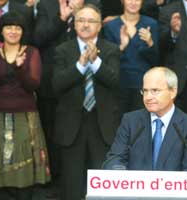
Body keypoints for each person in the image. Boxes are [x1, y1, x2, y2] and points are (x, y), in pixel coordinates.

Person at [0, 11, 50, 200]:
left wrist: (19, 68)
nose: (13, 31)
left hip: (25, 115)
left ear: (23, 31)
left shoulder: (32, 52)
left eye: (18, 28)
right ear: (1, 31)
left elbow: (33, 85)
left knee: (24, 168)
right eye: (9, 27)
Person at [52, 4, 120, 200]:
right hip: (71, 125)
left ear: (99, 26)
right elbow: (57, 84)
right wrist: (81, 65)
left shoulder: (111, 50)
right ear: (74, 25)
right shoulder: (63, 50)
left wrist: (96, 62)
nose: (85, 25)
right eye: (81, 20)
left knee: (102, 184)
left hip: (103, 125)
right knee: (72, 184)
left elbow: (114, 81)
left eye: (91, 21)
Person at [105, 67, 187, 171]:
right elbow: (115, 159)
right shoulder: (130, 121)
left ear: (173, 92)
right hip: (134, 186)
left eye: (155, 91)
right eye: (145, 91)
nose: (148, 97)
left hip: (171, 187)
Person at [103, 0, 159, 117]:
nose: (133, 2)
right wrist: (121, 47)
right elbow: (106, 60)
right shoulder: (111, 26)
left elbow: (156, 60)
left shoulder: (151, 24)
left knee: (141, 125)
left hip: (143, 85)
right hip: (118, 84)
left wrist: (150, 43)